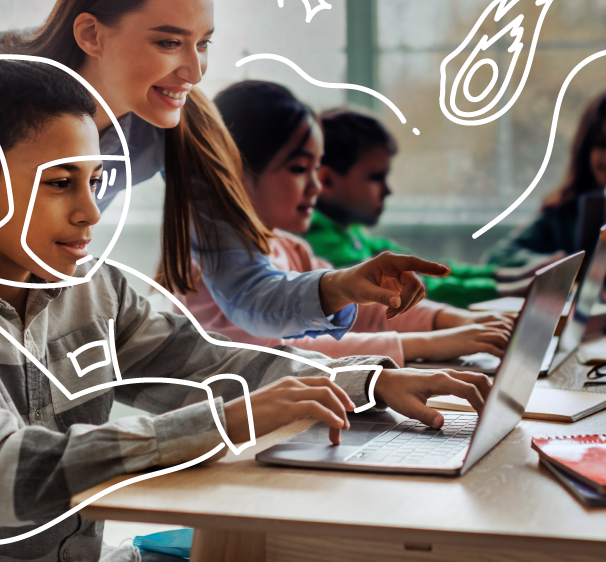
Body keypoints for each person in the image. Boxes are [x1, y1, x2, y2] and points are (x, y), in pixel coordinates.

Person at [0, 59, 491, 561]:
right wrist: (225, 423)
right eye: (60, 182)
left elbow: (214, 365)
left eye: (94, 182)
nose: (92, 214)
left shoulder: (96, 289)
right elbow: (0, 474)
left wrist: (372, 384)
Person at [0, 0, 446, 342]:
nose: (195, 71)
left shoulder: (173, 130)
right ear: (91, 33)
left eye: (203, 43)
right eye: (168, 42)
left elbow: (246, 291)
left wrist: (343, 285)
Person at [175, 81, 514, 366]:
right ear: (236, 169)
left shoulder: (293, 249)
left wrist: (458, 322)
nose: (316, 186)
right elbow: (280, 356)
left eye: (316, 169)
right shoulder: (206, 270)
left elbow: (364, 309)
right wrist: (433, 343)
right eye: (298, 169)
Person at [305, 108, 542, 308]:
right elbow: (410, 288)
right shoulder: (317, 241)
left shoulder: (350, 233)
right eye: (376, 177)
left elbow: (424, 268)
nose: (388, 191)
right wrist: (509, 289)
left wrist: (505, 276)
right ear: (327, 181)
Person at [486, 90, 606, 288]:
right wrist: (548, 263)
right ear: (585, 148)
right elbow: (496, 258)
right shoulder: (562, 214)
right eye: (602, 143)